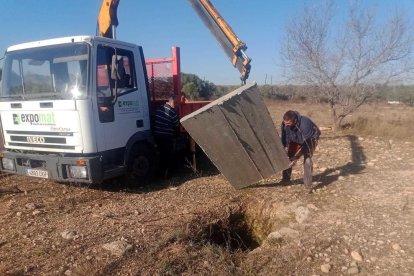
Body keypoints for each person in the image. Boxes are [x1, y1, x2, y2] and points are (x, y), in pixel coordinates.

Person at [280, 110, 321, 190]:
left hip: (311, 139)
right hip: (296, 139)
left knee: (307, 159)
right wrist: (284, 148)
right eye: (285, 123)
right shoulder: (284, 124)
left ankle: (308, 185)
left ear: (295, 120)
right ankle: (285, 180)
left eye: (288, 123)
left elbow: (307, 146)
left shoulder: (305, 124)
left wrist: (297, 157)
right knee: (289, 157)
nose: (286, 125)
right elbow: (284, 137)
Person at [153, 95, 180, 177]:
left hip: (157, 136)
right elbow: (176, 125)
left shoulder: (160, 108)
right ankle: (167, 175)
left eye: (177, 103)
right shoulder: (172, 111)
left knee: (162, 155)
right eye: (175, 103)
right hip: (166, 137)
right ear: (170, 101)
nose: (176, 105)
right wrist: (176, 135)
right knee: (168, 156)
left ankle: (159, 174)